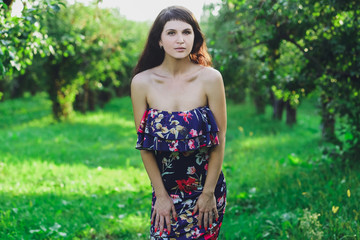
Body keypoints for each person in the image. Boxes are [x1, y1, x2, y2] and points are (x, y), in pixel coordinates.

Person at [131, 5, 227, 240]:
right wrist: (160, 195)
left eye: (187, 32)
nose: (180, 40)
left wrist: (207, 193)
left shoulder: (211, 78)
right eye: (171, 33)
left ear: (195, 38)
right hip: (165, 189)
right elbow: (144, 145)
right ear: (160, 40)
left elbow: (220, 139)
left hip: (205, 188)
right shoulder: (142, 82)